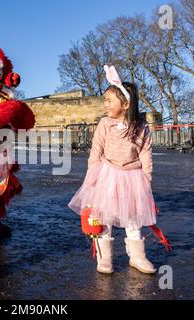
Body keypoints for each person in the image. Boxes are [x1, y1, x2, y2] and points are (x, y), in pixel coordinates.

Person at [68, 65, 160, 274]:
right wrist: (92, 176)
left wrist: (147, 178)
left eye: (109, 101)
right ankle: (105, 258)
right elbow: (96, 150)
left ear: (126, 104)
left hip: (133, 177)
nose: (105, 104)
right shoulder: (104, 124)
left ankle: (137, 257)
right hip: (107, 174)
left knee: (133, 217)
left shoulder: (141, 127)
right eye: (105, 100)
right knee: (104, 216)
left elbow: (146, 153)